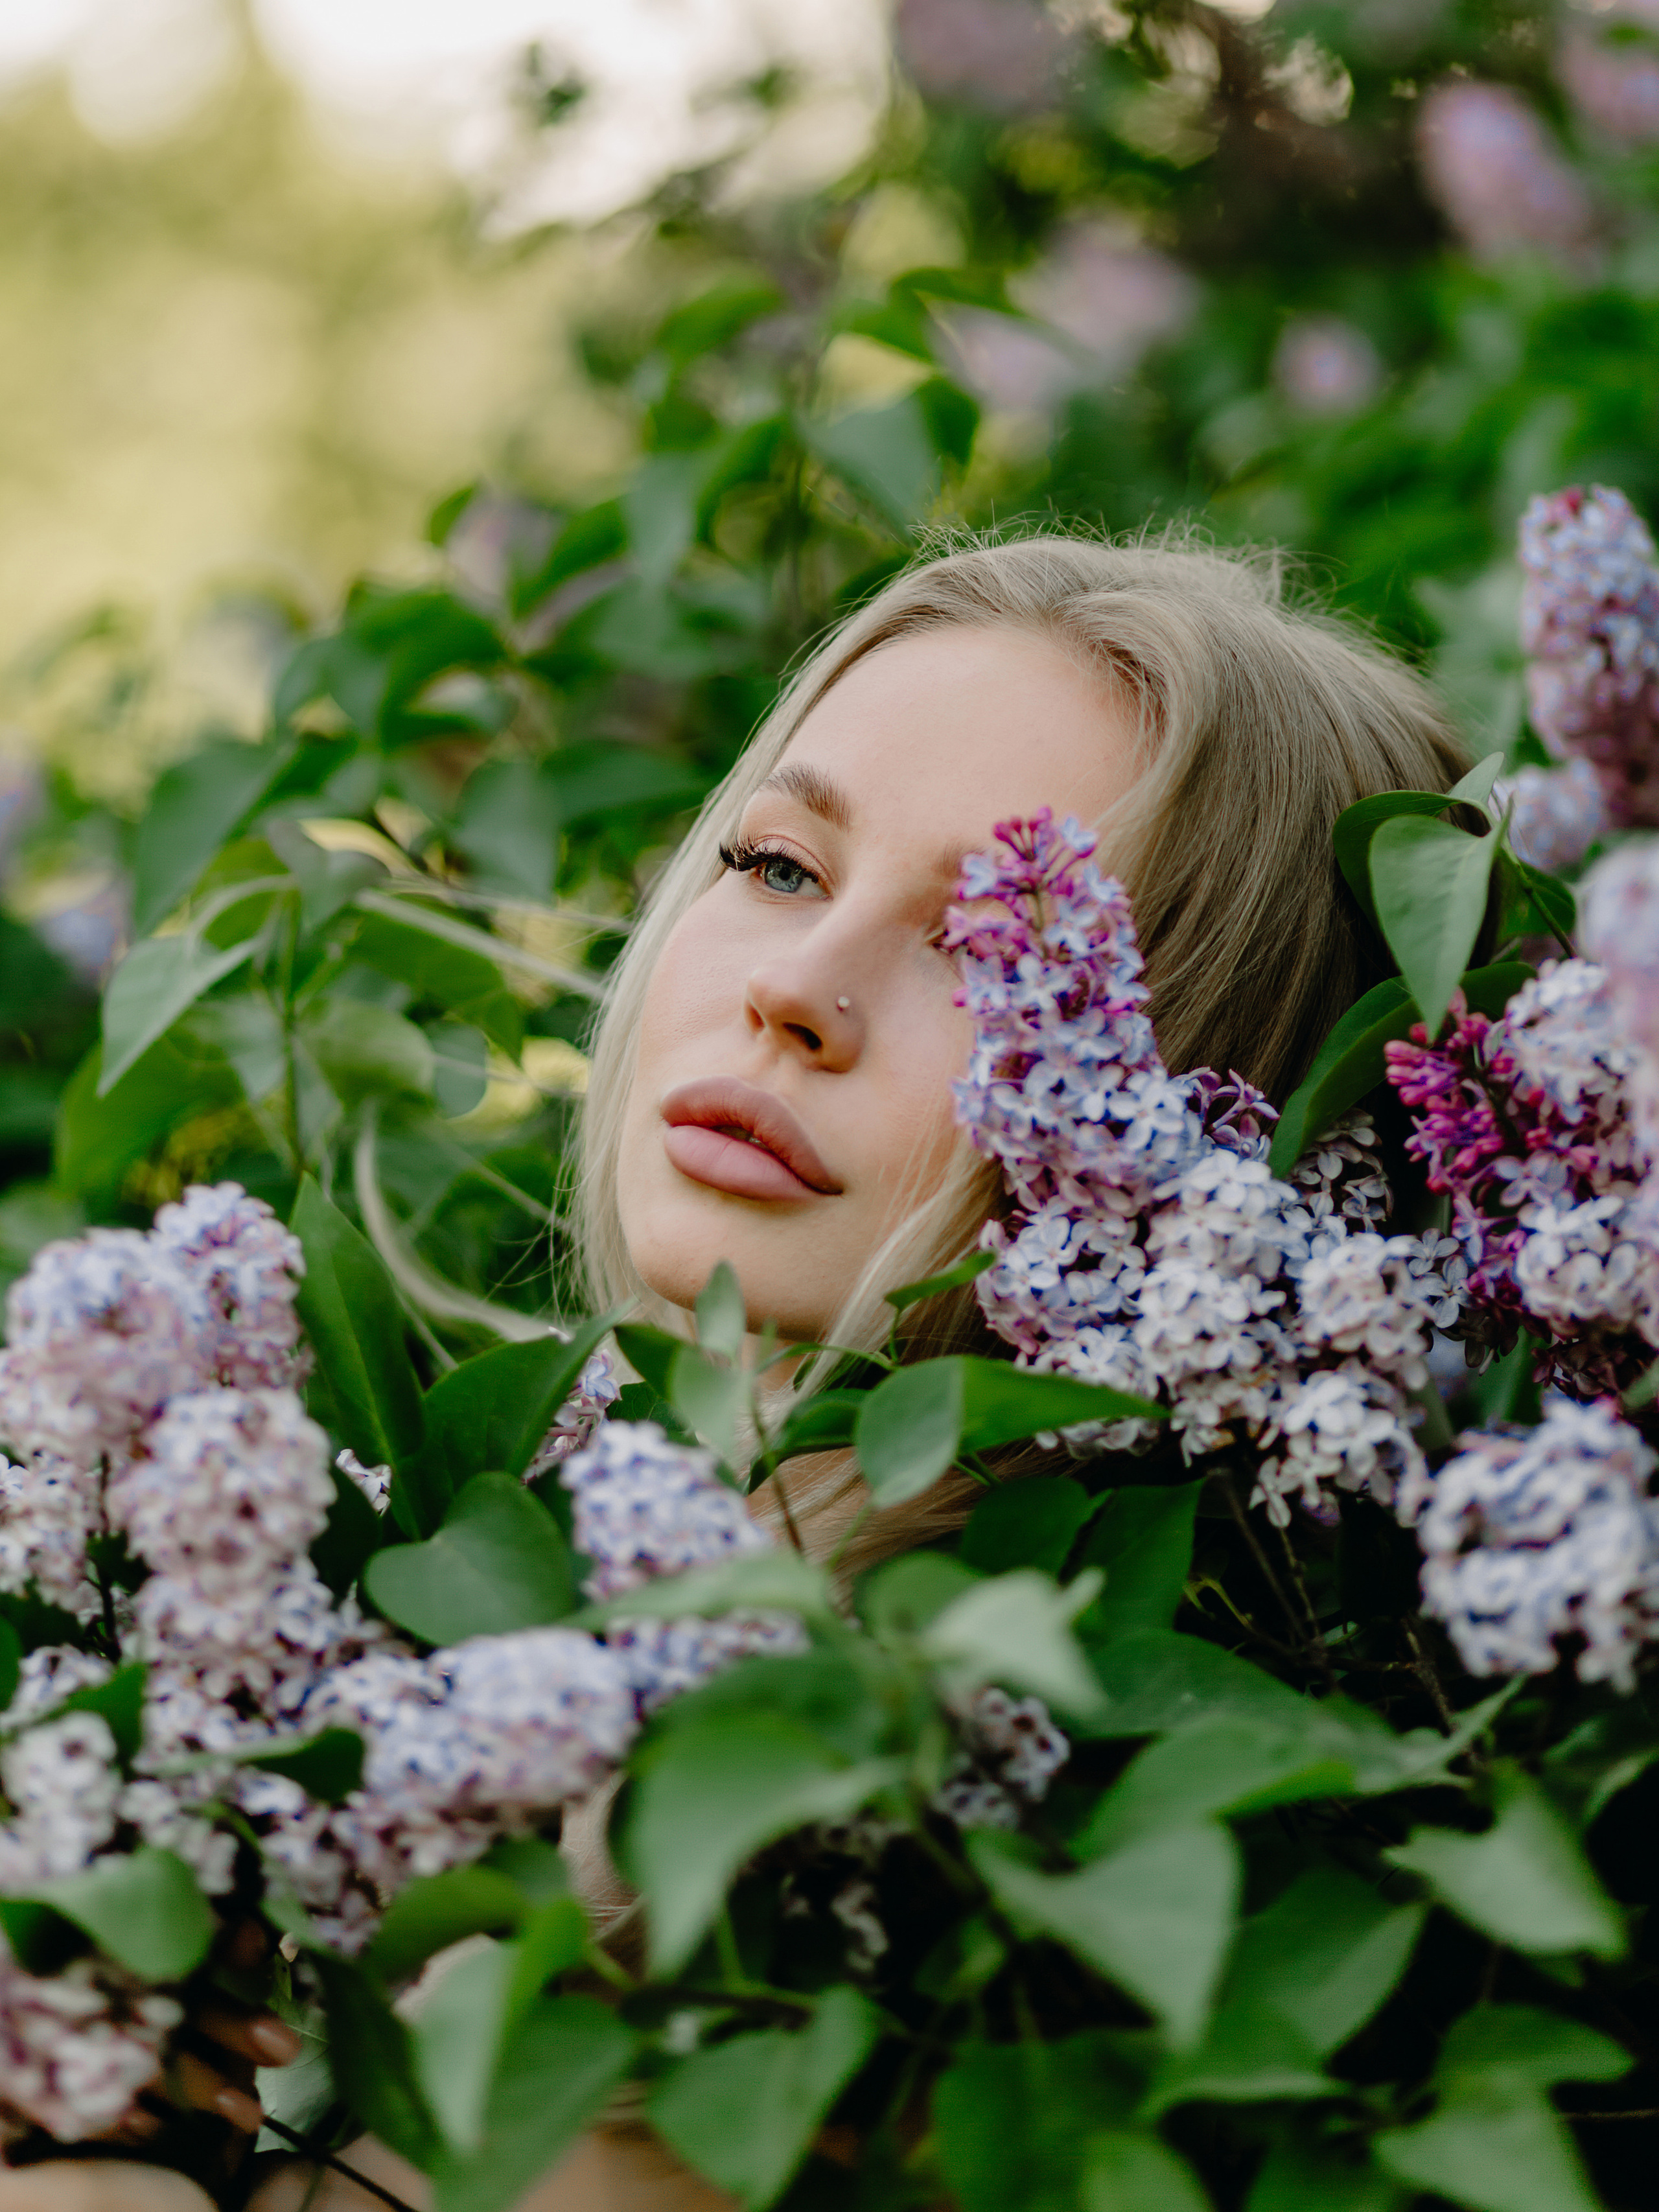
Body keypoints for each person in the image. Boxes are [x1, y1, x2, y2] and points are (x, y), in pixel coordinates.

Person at [1, 531, 1469, 2211]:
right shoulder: (436, 1694)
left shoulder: (917, 1983)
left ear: (1212, 1144)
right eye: (779, 865)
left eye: (998, 954)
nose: (798, 992)